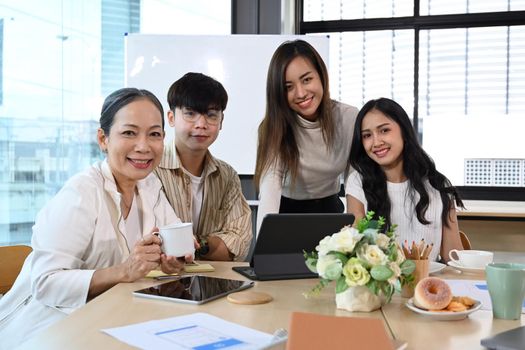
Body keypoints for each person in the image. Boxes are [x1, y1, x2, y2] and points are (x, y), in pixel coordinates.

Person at [0, 88, 192, 349]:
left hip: (113, 319)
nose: (144, 146)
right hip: (50, 329)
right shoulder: (81, 193)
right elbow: (46, 283)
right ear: (103, 139)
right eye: (129, 132)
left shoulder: (149, 186)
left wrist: (173, 259)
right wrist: (124, 271)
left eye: (154, 134)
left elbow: (173, 237)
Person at [254, 39, 359, 234]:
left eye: (307, 79)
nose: (301, 93)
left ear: (321, 75)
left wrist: (355, 234)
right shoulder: (273, 126)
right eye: (288, 87)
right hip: (286, 212)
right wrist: (263, 247)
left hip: (330, 210)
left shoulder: (349, 118)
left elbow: (355, 179)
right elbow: (270, 184)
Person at [345, 97, 464, 262]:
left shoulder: (438, 185)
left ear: (404, 131)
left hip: (427, 282)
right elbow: (356, 247)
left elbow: (453, 258)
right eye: (367, 135)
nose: (376, 142)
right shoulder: (358, 181)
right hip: (381, 285)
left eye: (384, 130)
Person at [154, 72, 252, 261]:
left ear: (221, 121)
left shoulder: (227, 176)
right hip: (162, 285)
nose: (201, 124)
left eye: (211, 115)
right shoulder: (152, 169)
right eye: (190, 113)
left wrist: (197, 245)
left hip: (215, 287)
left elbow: (239, 242)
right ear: (171, 118)